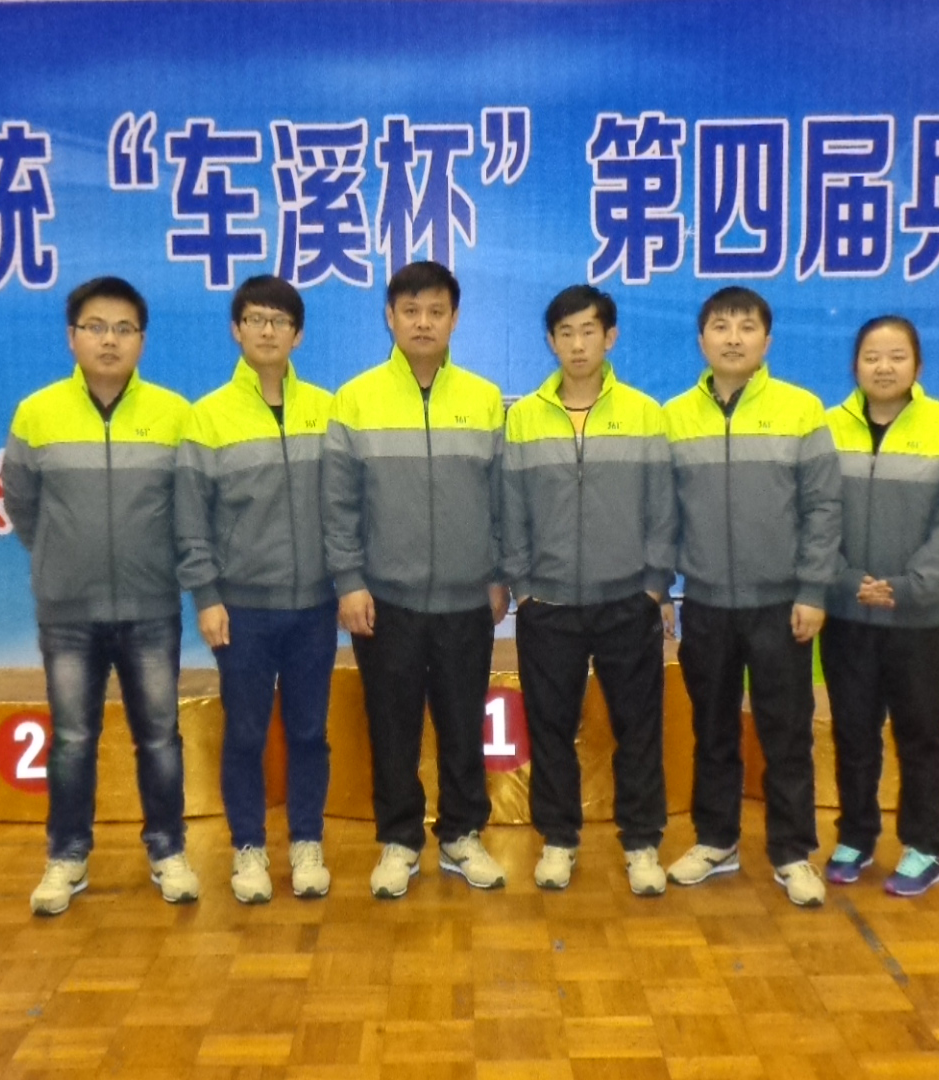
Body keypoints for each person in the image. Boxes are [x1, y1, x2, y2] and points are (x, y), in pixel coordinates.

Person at [3, 275, 196, 914]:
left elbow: (188, 509)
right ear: (72, 337)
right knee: (71, 739)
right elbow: (22, 505)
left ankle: (168, 850)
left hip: (151, 606)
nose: (109, 340)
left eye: (123, 329)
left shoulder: (174, 414)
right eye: (95, 327)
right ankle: (66, 856)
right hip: (68, 611)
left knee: (160, 738)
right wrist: (63, 557)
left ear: (142, 339)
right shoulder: (37, 413)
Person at [322, 260, 510, 899]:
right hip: (385, 599)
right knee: (392, 726)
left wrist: (498, 574)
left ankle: (462, 835)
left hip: (465, 599)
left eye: (435, 311)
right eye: (410, 311)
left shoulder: (483, 399)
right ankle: (399, 840)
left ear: (454, 318)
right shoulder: (356, 399)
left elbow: (502, 499)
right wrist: (350, 581)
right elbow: (339, 504)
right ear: (390, 317)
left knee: (462, 724)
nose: (423, 323)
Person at [663, 287, 841, 906]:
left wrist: (812, 589)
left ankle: (792, 852)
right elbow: (662, 513)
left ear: (767, 340)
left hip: (780, 605)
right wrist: (661, 588)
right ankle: (716, 841)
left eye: (746, 326)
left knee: (785, 733)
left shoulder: (801, 409)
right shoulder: (674, 416)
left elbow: (823, 508)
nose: (733, 337)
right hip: (706, 603)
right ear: (702, 340)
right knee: (712, 729)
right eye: (720, 326)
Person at [501, 284, 676, 897]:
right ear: (551, 341)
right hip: (548, 605)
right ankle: (559, 840)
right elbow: (510, 510)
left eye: (589, 331)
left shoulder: (645, 413)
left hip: (628, 601)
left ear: (610, 337)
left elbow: (663, 508)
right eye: (566, 333)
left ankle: (642, 843)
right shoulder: (523, 418)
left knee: (639, 728)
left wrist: (654, 586)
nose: (578, 344)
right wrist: (524, 587)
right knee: (550, 727)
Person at [176, 275, 336, 904]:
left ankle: (307, 842)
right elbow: (191, 520)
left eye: (280, 321)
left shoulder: (327, 409)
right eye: (255, 319)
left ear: (298, 335)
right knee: (244, 733)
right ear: (236, 330)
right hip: (240, 609)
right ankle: (248, 846)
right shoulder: (208, 416)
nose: (268, 330)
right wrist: (206, 596)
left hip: (315, 607)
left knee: (309, 732)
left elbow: (345, 507)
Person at [820, 315, 939, 898]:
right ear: (855, 366)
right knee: (853, 731)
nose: (883, 367)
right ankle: (855, 836)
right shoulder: (826, 427)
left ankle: (924, 844)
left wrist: (908, 586)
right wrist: (844, 581)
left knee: (921, 732)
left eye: (896, 356)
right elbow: (814, 516)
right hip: (847, 615)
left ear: (917, 365)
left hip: (917, 616)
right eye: (871, 357)